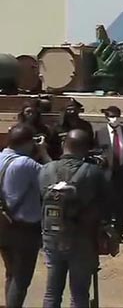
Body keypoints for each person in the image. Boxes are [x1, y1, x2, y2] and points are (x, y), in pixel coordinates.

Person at [39, 129, 111, 308]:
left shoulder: (46, 169)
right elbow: (105, 205)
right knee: (79, 295)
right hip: (82, 239)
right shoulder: (93, 172)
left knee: (51, 292)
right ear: (86, 149)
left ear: (64, 145)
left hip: (51, 236)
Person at [0, 124, 50, 308]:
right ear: (29, 142)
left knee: (11, 273)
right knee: (21, 280)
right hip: (24, 229)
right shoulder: (26, 164)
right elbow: (52, 177)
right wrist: (43, 152)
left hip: (3, 224)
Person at [94, 105, 123, 243]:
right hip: (107, 174)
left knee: (121, 205)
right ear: (106, 117)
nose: (114, 119)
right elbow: (97, 152)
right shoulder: (100, 133)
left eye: (117, 115)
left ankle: (119, 232)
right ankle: (106, 233)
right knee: (106, 204)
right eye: (112, 116)